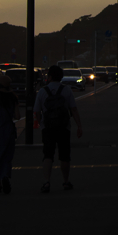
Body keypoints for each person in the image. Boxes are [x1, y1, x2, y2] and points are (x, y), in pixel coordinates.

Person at [33, 64, 83, 193]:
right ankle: (66, 182)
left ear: (49, 77)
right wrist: (79, 125)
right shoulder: (66, 90)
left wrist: (41, 124)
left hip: (48, 127)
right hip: (63, 127)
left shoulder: (43, 91)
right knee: (65, 155)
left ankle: (46, 182)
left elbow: (37, 112)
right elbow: (73, 109)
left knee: (48, 154)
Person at [0, 74, 20, 194]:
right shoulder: (13, 99)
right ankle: (5, 175)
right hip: (9, 131)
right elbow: (17, 116)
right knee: (7, 157)